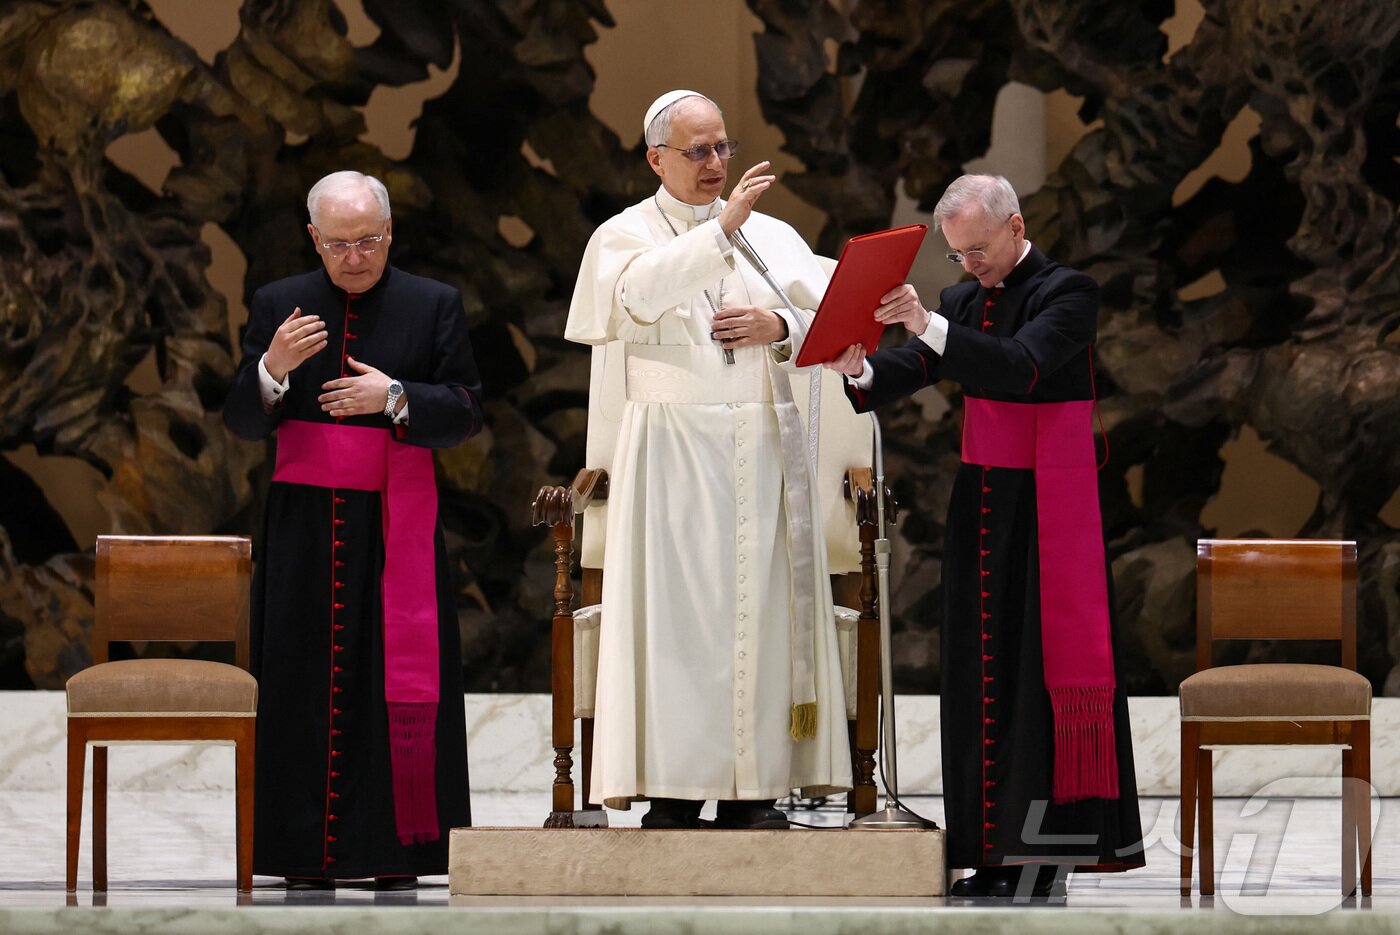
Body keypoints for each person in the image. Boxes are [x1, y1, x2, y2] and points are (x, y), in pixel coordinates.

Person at [826, 174, 1144, 897]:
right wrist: (862, 368)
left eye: (979, 249)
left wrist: (925, 323)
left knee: (1037, 672)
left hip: (1049, 503)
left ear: (1016, 226)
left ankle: (1042, 862)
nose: (970, 266)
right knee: (979, 672)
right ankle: (990, 854)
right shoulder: (964, 299)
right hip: (983, 503)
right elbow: (914, 367)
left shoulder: (1069, 291)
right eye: (958, 255)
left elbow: (1020, 366)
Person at [565, 90, 850, 829]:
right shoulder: (625, 233)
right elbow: (632, 300)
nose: (715, 163)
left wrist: (777, 322)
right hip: (673, 457)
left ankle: (756, 791)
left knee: (759, 619)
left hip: (760, 449)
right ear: (656, 157)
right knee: (679, 625)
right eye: (698, 151)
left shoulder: (773, 233)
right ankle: (675, 788)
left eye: (722, 147)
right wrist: (719, 232)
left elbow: (828, 310)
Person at [223, 170, 482, 889]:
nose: (355, 256)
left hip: (396, 526)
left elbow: (466, 409)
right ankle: (302, 854)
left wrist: (393, 396)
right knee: (300, 688)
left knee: (392, 686)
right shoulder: (280, 303)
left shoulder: (434, 304)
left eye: (368, 239)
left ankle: (398, 852)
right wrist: (273, 368)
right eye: (338, 243)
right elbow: (242, 420)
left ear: (390, 231)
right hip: (303, 535)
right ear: (314, 238)